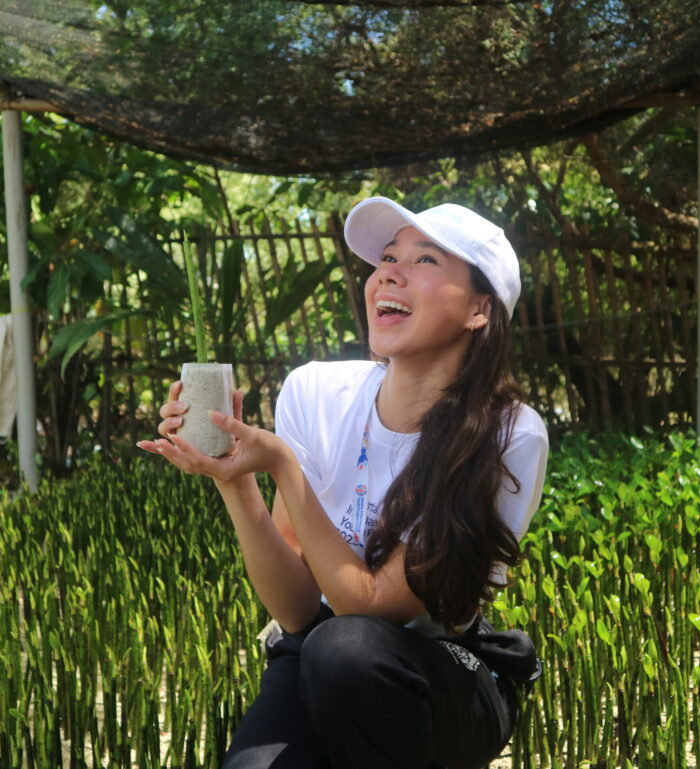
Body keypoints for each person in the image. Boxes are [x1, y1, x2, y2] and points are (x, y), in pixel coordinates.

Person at [138, 196, 549, 769]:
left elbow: (374, 606)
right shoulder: (315, 392)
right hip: (323, 653)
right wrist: (234, 478)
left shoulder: (507, 435)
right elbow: (300, 612)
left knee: (345, 649)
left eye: (425, 260)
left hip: (443, 671)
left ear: (479, 309)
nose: (389, 272)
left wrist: (283, 464)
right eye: (386, 257)